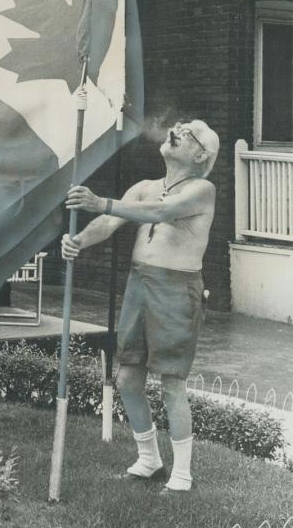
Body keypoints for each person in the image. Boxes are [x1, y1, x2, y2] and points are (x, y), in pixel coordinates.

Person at [62, 119, 219, 494]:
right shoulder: (147, 186)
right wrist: (78, 241)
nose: (177, 129)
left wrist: (102, 201)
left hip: (176, 290)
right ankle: (148, 459)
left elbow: (159, 214)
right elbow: (109, 220)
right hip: (140, 283)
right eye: (179, 125)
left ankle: (182, 475)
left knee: (171, 382)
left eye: (189, 130)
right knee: (128, 377)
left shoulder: (203, 189)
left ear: (200, 154)